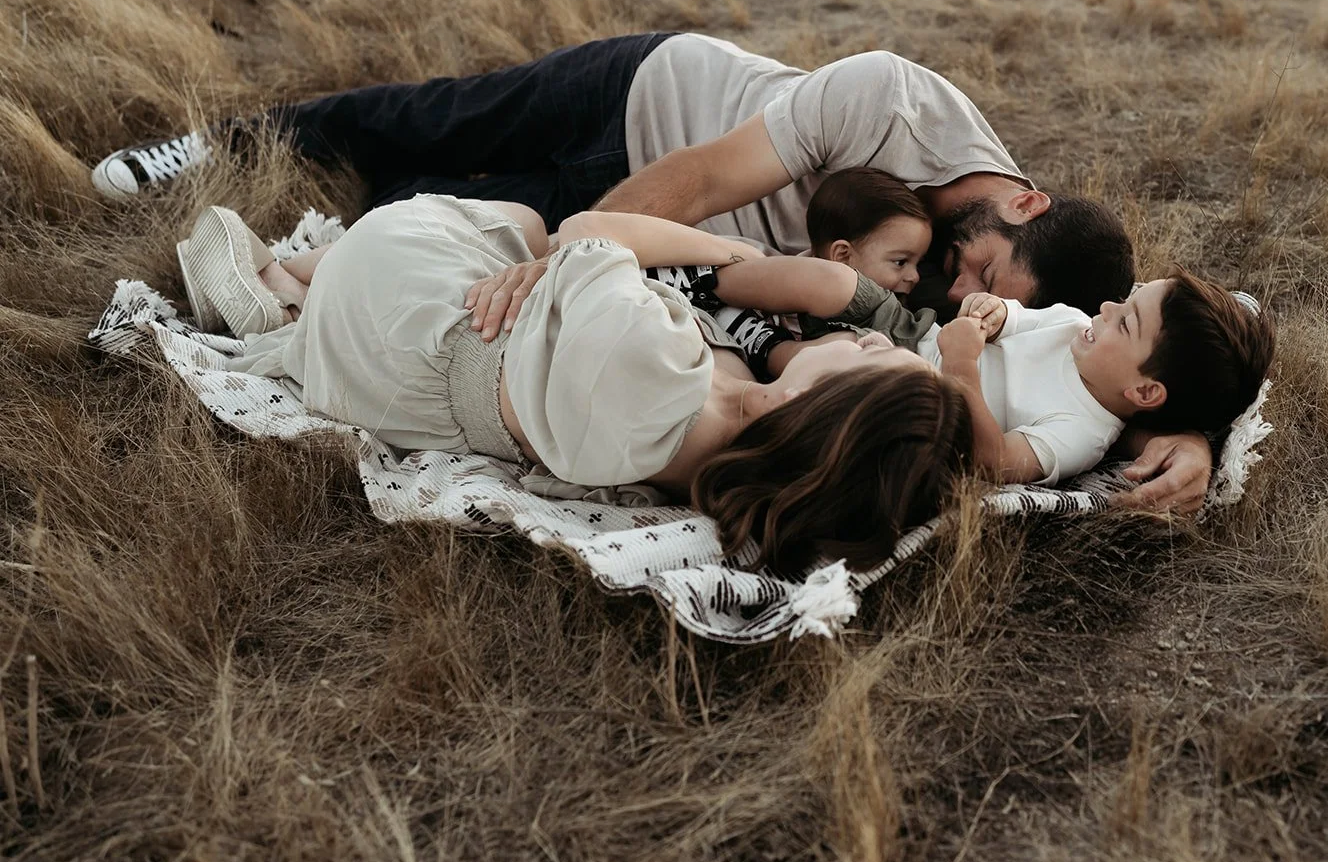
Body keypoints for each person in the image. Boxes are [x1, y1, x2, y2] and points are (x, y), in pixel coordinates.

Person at [106, 31, 1213, 512]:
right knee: (431, 124)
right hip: (647, 115)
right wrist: (555, 266)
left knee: (395, 225)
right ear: (1020, 197)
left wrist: (1187, 428)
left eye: (984, 293)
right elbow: (695, 183)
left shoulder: (1020, 281)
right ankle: (210, 140)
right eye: (973, 265)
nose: (958, 291)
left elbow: (1163, 336)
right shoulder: (892, 97)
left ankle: (292, 280)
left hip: (664, 256)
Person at [179, 196, 975, 576]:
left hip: (403, 324)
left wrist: (718, 256)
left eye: (876, 357)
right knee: (519, 254)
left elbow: (586, 230)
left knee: (523, 225)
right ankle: (292, 298)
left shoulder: (660, 373)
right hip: (401, 396)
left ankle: (289, 282)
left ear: (809, 409)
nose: (874, 335)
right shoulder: (717, 452)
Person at [654, 250, 1275, 487]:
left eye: (1126, 322)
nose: (1108, 307)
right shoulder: (1073, 326)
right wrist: (992, 313)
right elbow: (1012, 318)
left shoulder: (1082, 432)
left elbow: (995, 462)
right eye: (1126, 298)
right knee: (830, 281)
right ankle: (706, 278)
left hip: (905, 393)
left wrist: (963, 373)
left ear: (1143, 389)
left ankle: (755, 340)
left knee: (808, 368)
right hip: (911, 333)